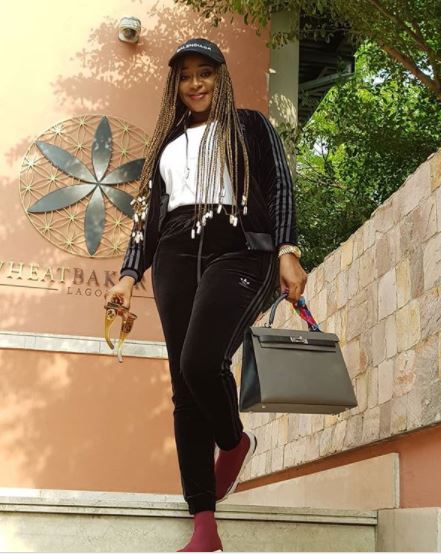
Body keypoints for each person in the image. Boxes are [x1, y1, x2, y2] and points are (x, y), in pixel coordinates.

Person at [104, 37, 307, 552]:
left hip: (238, 247)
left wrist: (287, 249)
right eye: (186, 75)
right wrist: (128, 275)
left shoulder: (249, 125)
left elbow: (280, 186)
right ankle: (204, 525)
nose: (195, 84)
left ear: (221, 77)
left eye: (205, 73)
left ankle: (234, 442)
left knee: (200, 362)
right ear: (176, 84)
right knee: (184, 389)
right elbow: (146, 219)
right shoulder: (165, 143)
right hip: (174, 252)